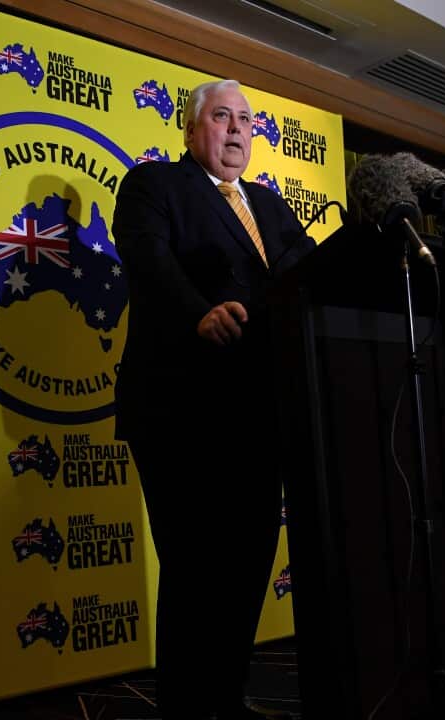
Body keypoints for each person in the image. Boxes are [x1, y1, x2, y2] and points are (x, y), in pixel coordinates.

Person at [111, 79, 312, 718]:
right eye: (221, 117)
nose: (235, 130)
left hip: (259, 414)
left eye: (246, 120)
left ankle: (222, 697)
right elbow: (149, 260)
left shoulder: (271, 207)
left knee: (247, 569)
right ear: (191, 128)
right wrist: (198, 315)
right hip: (181, 411)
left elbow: (308, 275)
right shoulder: (154, 186)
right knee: (197, 572)